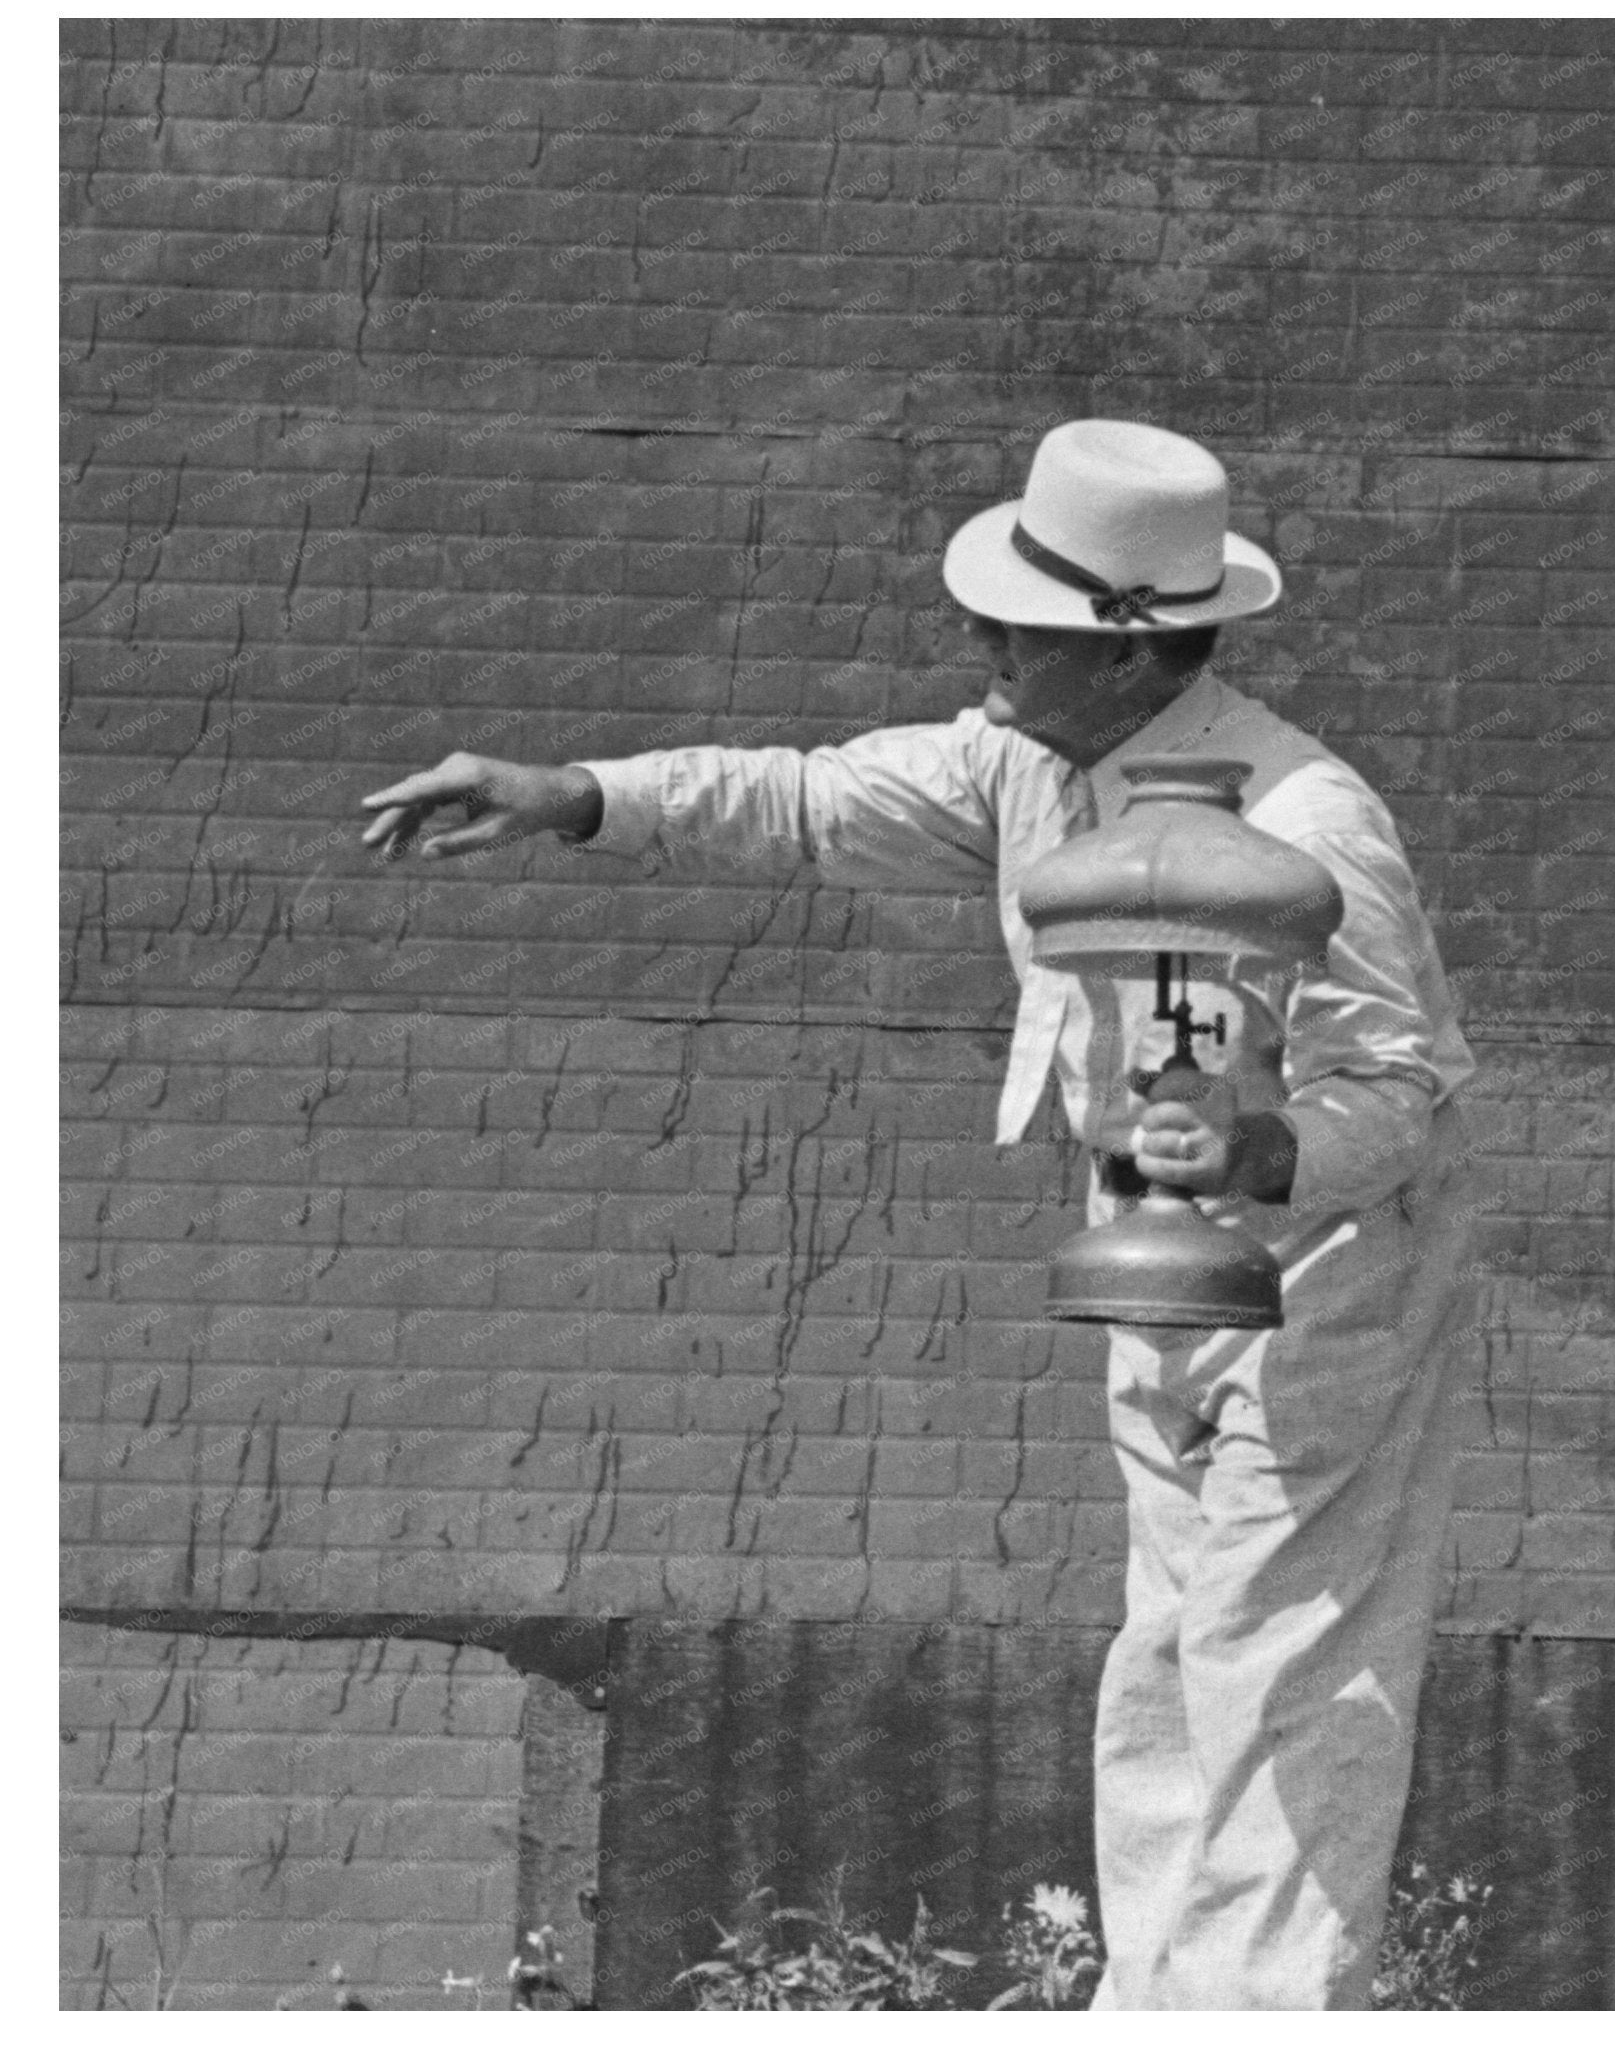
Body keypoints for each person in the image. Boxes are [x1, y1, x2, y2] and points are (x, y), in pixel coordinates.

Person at [359, 419, 1479, 2010]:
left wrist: (1251, 1155)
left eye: (1018, 622)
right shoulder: (1025, 759)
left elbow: (1402, 1094)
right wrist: (575, 794)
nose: (980, 643)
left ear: (1129, 646)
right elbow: (814, 801)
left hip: (1332, 1280)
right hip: (1163, 1272)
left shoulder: (1313, 825)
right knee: (1168, 1660)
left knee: (1286, 1666)